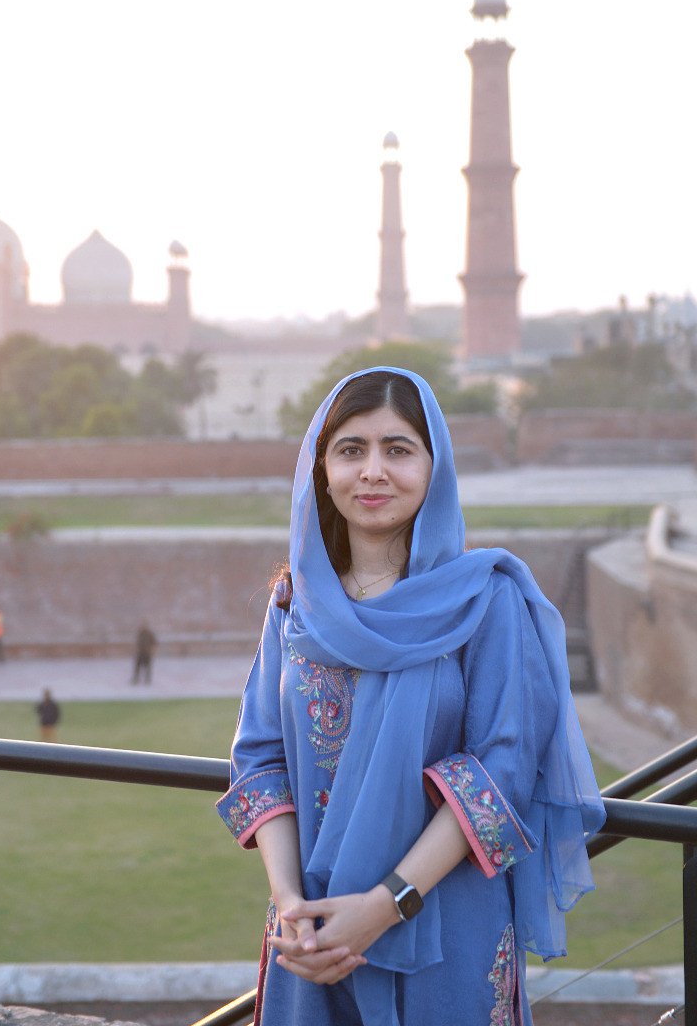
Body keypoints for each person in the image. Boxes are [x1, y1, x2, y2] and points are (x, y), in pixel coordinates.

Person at [216, 368, 605, 1026]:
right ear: (322, 469)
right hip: (314, 935)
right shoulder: (296, 606)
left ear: (435, 468)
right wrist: (291, 906)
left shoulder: (485, 601)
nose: (373, 472)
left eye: (398, 450)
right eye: (350, 450)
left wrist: (385, 904)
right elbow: (259, 759)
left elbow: (501, 773)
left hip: (444, 927)